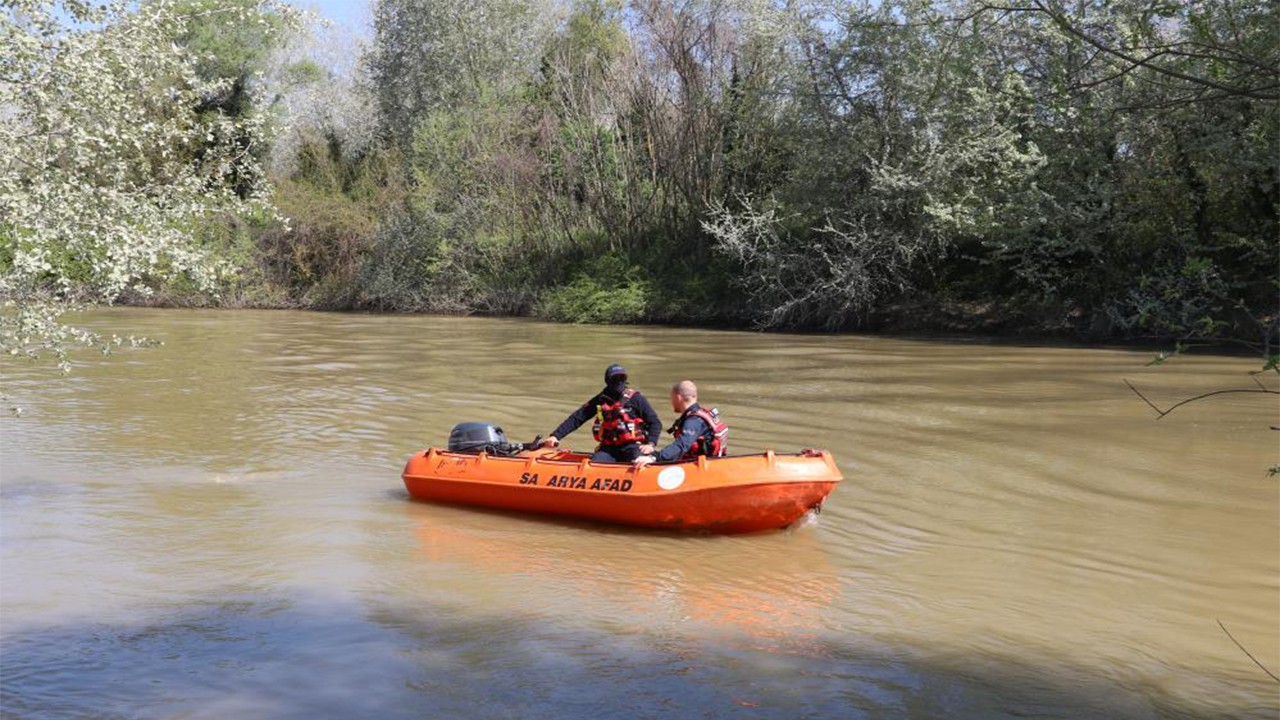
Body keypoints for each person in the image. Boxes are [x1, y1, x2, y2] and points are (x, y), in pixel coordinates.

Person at [540, 364, 662, 463]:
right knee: (594, 465)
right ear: (608, 381)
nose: (619, 382)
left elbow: (655, 423)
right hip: (609, 448)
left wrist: (651, 444)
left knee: (639, 461)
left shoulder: (636, 399)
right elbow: (577, 418)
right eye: (615, 379)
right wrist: (556, 436)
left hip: (633, 445)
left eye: (622, 378)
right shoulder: (600, 400)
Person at [633, 380, 728, 467]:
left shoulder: (693, 421)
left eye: (672, 398)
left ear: (678, 397)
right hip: (712, 463)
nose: (671, 402)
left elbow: (681, 445)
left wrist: (654, 457)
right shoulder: (702, 414)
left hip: (701, 467)